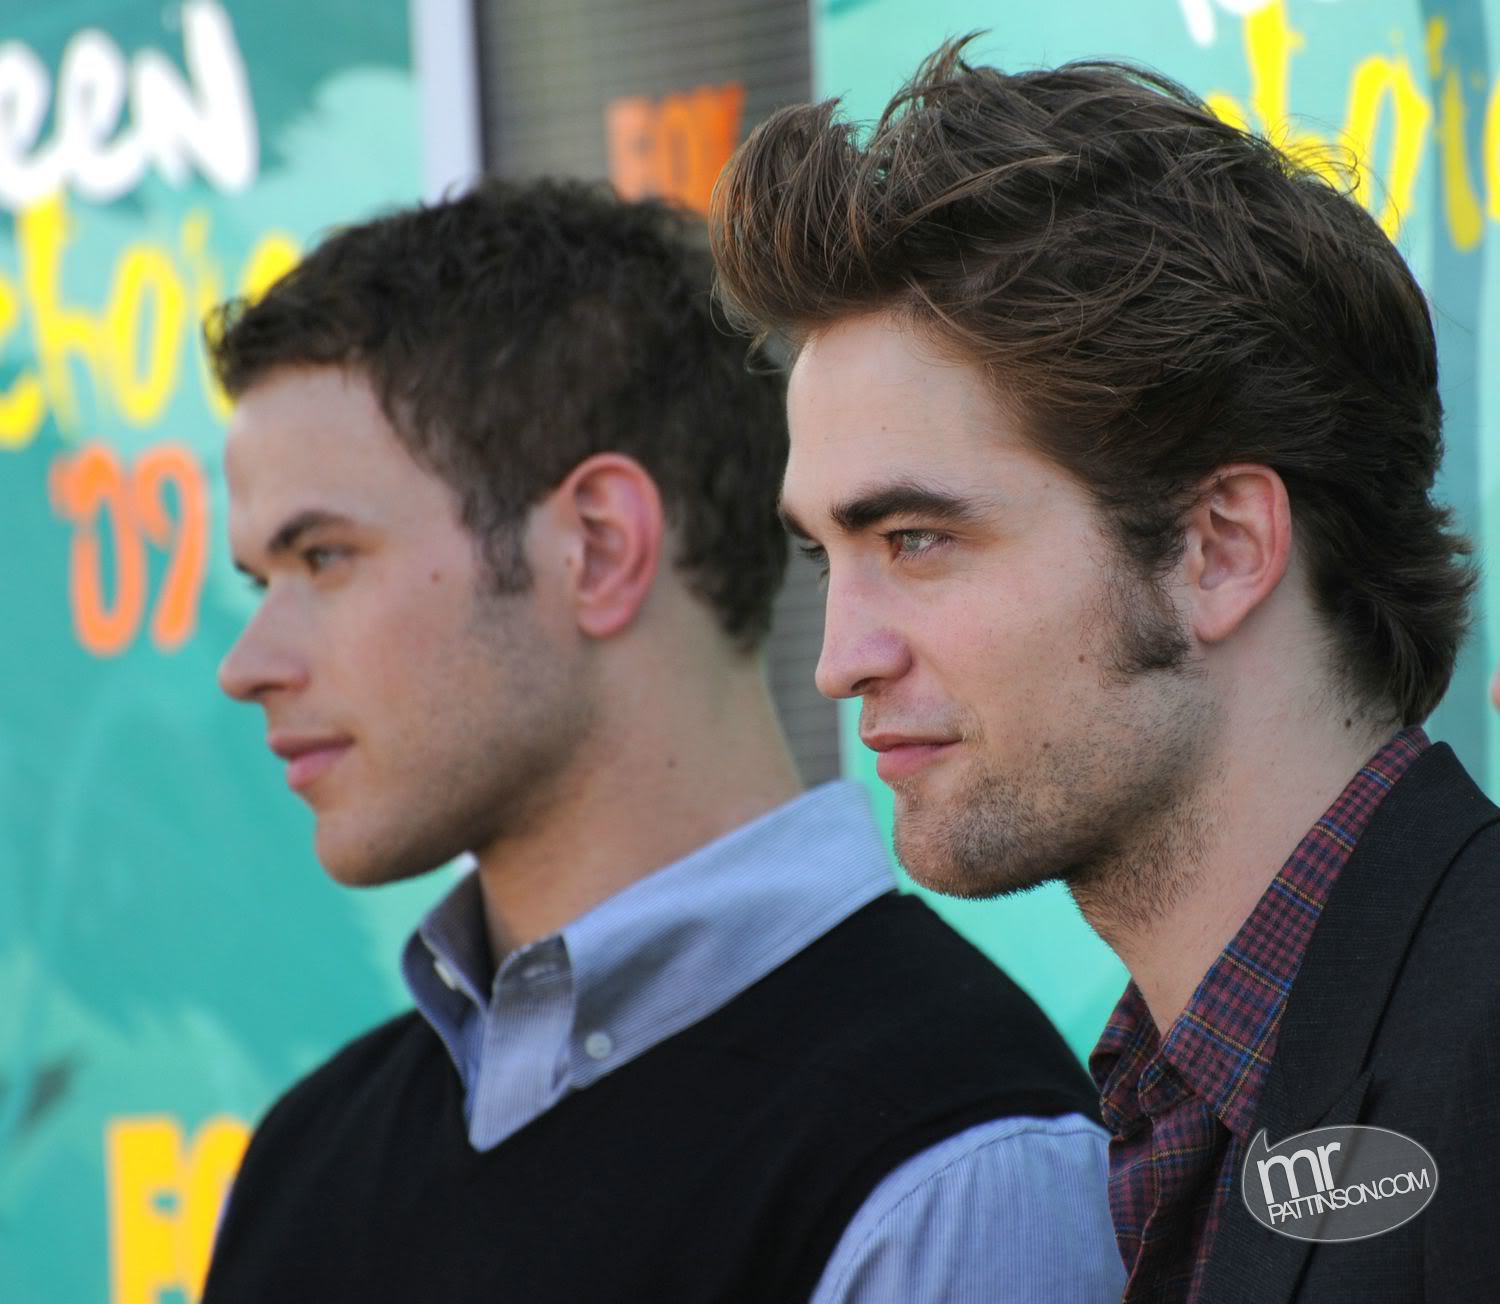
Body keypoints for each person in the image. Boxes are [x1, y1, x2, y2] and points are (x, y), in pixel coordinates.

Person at [198, 178, 1121, 1303]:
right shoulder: (302, 1160)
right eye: (262, 579)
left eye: (323, 558)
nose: (248, 662)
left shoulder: (947, 1159)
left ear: (597, 545)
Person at [709, 40, 1498, 1304]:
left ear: (1218, 548)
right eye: (826, 556)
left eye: (915, 539)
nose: (839, 661)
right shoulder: (1164, 1099)